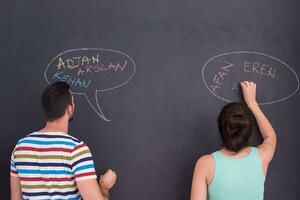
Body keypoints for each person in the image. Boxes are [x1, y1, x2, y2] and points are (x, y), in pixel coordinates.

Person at [10, 81, 117, 200]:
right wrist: (104, 188)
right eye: (73, 101)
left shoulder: (20, 147)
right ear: (69, 109)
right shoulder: (76, 149)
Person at [190, 81, 277, 200]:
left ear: (221, 128)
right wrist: (252, 103)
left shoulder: (206, 164)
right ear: (249, 131)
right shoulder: (262, 156)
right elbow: (270, 136)